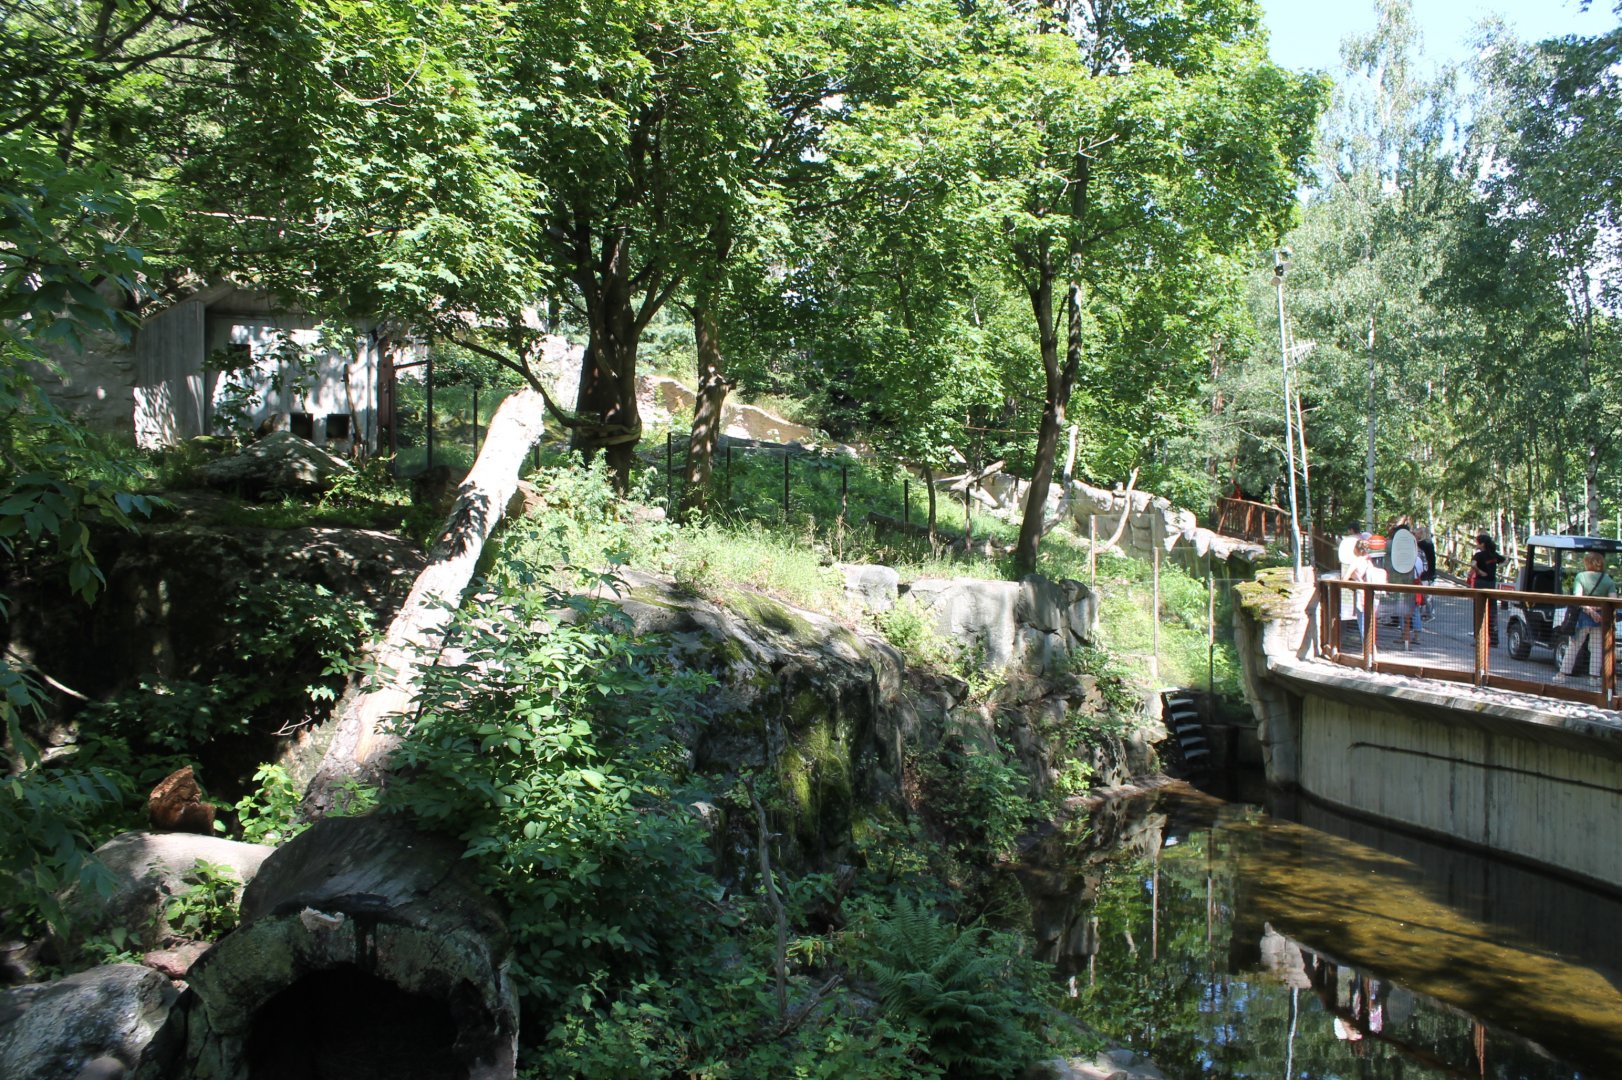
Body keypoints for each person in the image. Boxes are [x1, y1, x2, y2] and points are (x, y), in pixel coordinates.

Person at [1556, 551, 1616, 684]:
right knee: (1596, 648)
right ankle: (1594, 678)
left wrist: (1589, 610)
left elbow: (1578, 598)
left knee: (1574, 646)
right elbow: (1613, 601)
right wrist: (1598, 610)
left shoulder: (1581, 576)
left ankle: (1562, 674)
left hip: (1583, 617)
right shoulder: (1608, 580)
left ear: (1587, 563)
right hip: (1601, 619)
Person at [1386, 520, 1421, 648]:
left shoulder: (1398, 549)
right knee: (1407, 610)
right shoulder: (1411, 550)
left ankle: (1409, 636)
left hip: (1406, 584)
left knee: (1409, 610)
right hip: (1407, 584)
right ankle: (1407, 636)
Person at [1471, 533, 1506, 646]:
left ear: (1482, 544)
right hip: (1491, 584)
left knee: (1479, 611)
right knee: (1492, 610)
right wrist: (1496, 568)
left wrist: (1480, 572)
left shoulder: (1479, 555)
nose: (1476, 545)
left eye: (1477, 543)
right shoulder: (1493, 555)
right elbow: (1505, 560)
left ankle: (1479, 639)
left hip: (1481, 583)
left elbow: (1473, 565)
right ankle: (1494, 638)